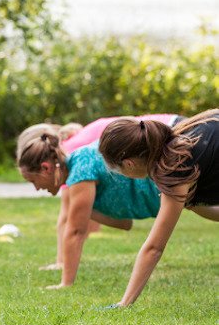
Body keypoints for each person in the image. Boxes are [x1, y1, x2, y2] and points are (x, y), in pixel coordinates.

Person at [17, 114, 184, 271]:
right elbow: (121, 222)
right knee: (195, 199)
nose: (36, 188)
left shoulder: (71, 155)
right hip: (163, 132)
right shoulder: (66, 155)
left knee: (193, 193)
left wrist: (62, 263)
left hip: (170, 132)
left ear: (43, 164)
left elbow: (69, 220)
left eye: (33, 181)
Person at [98, 108, 219, 307]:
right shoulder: (181, 137)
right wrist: (190, 202)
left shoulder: (175, 166)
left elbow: (154, 248)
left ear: (129, 164)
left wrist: (124, 303)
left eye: (118, 170)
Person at [17, 133, 161, 289]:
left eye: (33, 181)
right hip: (165, 193)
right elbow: (124, 223)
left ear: (46, 168)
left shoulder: (81, 170)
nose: (37, 189)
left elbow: (75, 232)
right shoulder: (80, 163)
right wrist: (84, 211)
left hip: (165, 185)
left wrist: (66, 283)